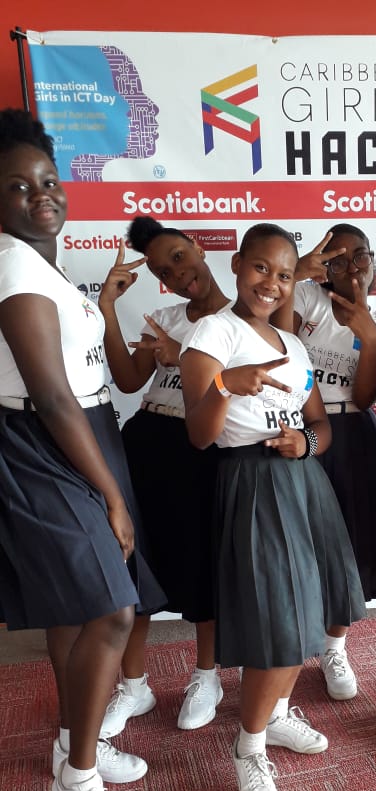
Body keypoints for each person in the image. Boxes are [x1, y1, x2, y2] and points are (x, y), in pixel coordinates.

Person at [0, 109, 165, 791]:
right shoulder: (13, 267)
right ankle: (79, 780)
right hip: (47, 442)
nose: (41, 195)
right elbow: (51, 395)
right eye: (18, 186)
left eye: (48, 180)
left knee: (73, 610)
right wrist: (112, 495)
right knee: (110, 611)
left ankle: (73, 744)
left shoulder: (43, 262)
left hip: (86, 432)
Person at [180, 223, 366, 791]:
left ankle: (278, 715)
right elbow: (199, 435)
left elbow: (323, 425)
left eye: (284, 275)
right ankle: (249, 747)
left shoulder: (293, 344)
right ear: (237, 264)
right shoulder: (214, 331)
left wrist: (304, 443)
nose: (272, 283)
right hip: (253, 483)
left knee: (312, 610)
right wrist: (224, 387)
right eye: (261, 268)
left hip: (303, 483)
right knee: (278, 622)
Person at [96, 217, 228, 736]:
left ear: (198, 247)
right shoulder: (167, 318)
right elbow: (129, 381)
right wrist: (108, 308)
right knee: (136, 560)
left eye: (177, 257)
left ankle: (207, 677)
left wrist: (185, 357)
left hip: (205, 447)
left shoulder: (244, 318)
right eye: (162, 271)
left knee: (204, 561)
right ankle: (134, 685)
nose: (175, 273)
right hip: (148, 441)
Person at [293, 224, 376, 700]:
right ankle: (293, 644)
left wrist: (370, 340)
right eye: (337, 259)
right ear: (324, 267)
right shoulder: (306, 299)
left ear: (373, 261)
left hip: (354, 433)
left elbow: (365, 395)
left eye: (360, 256)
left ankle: (334, 647)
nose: (351, 266)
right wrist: (297, 274)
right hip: (301, 430)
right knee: (297, 540)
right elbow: (276, 344)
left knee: (348, 545)